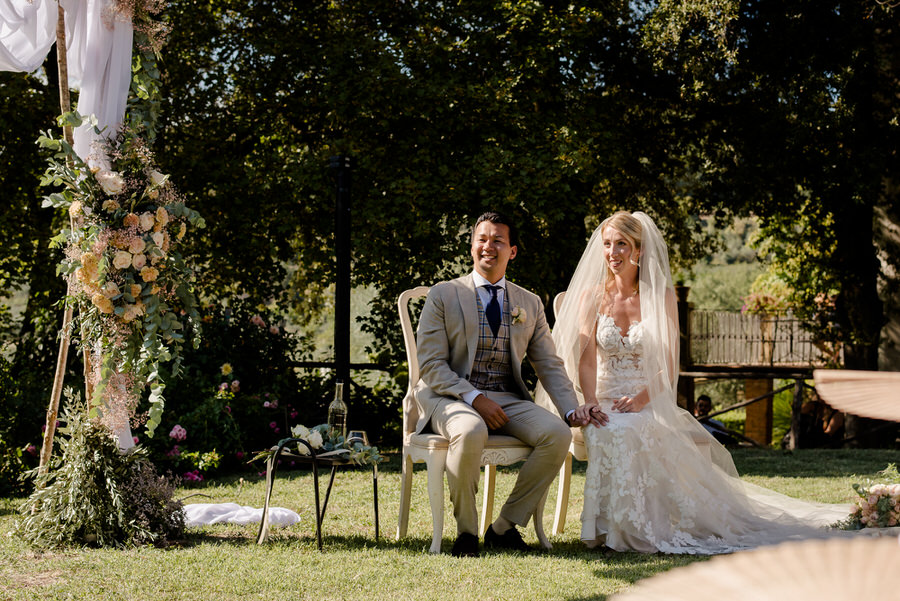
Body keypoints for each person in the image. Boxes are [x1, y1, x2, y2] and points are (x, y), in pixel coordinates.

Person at [542, 210, 852, 554]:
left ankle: (635, 531)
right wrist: (590, 401)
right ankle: (607, 531)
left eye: (622, 244)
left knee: (632, 429)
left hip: (646, 399)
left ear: (639, 250)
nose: (613, 253)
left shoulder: (660, 297)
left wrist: (643, 399)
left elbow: (669, 364)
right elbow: (585, 359)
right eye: (607, 245)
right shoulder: (591, 297)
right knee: (610, 428)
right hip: (603, 399)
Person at [414, 211, 601, 557]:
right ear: (472, 246)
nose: (489, 246)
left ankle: (503, 527)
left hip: (507, 397)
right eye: (482, 239)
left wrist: (571, 409)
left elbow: (548, 362)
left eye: (497, 240)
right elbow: (430, 366)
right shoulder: (443, 295)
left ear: (512, 251)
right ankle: (467, 534)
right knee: (470, 430)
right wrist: (474, 398)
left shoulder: (528, 303)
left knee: (557, 434)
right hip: (449, 396)